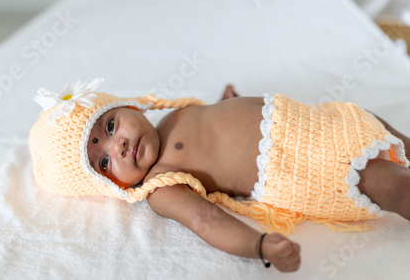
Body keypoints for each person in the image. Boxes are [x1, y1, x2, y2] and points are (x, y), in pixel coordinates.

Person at [29, 78, 410, 273]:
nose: (119, 147)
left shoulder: (172, 117)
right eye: (104, 163)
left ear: (127, 106)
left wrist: (227, 100)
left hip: (312, 121)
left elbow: (215, 122)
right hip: (300, 165)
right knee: (389, 184)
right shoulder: (163, 185)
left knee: (375, 127)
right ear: (110, 186)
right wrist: (259, 246)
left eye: (110, 127)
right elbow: (206, 220)